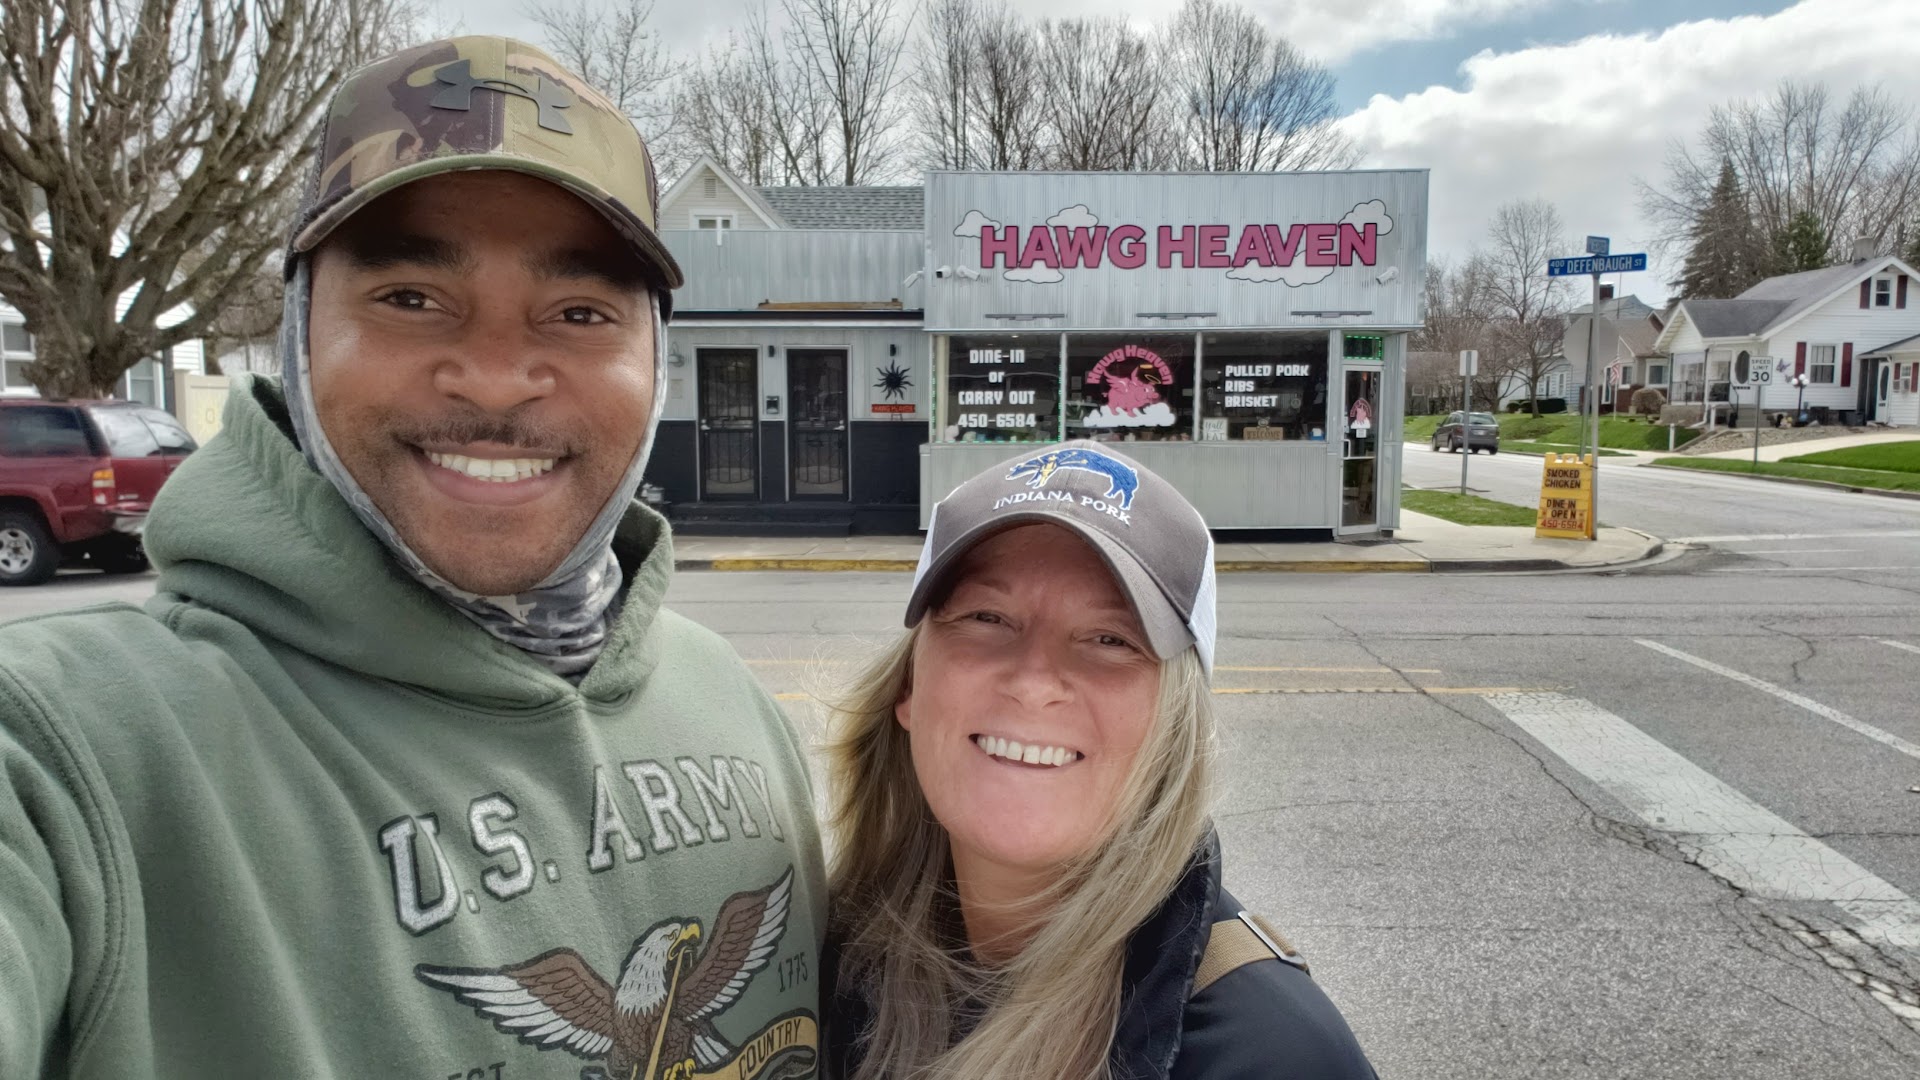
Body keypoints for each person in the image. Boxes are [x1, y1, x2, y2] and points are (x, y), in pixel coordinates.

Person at [0, 38, 824, 1079]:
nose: (495, 378)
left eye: (579, 314)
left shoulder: (734, 704)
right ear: (302, 337)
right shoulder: (71, 750)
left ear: (655, 358)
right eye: (410, 298)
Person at [822, 441, 1376, 1079]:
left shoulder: (1274, 1057)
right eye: (987, 616)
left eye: (1111, 638)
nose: (1034, 682)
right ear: (909, 689)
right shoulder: (829, 964)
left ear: (1175, 725)